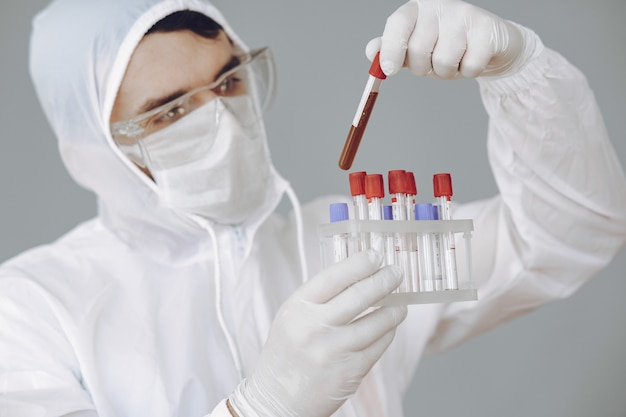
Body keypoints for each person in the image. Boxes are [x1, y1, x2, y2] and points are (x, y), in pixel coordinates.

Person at [1, 0, 625, 416]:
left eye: (228, 80)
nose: (220, 116)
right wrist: (263, 407)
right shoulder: (32, 308)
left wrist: (518, 71)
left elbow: (569, 232)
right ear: (93, 150)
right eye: (169, 110)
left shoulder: (353, 248)